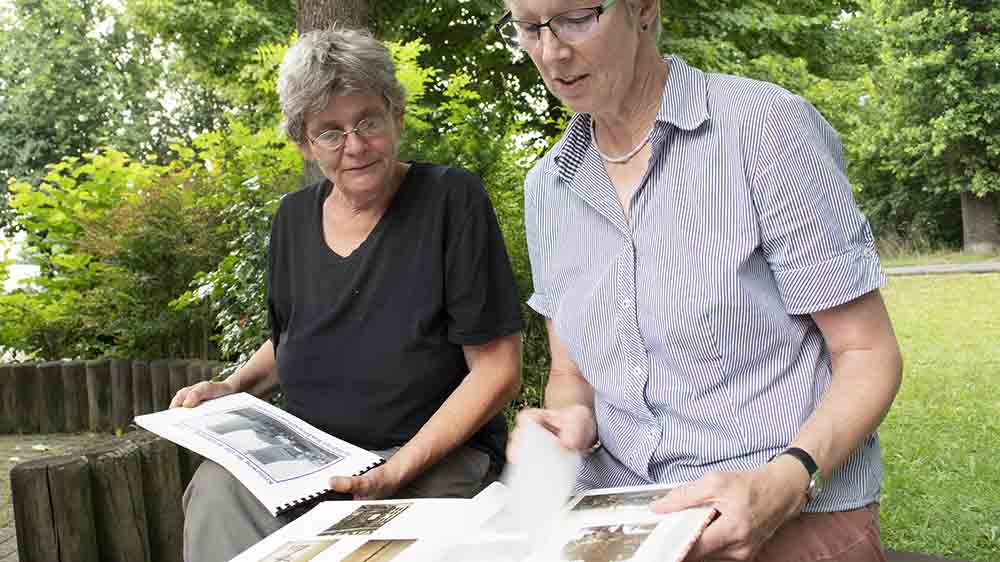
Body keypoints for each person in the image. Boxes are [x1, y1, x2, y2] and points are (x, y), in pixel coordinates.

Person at [496, 1, 903, 561]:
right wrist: (568, 419)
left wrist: (786, 480)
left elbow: (867, 351)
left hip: (785, 506)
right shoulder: (549, 187)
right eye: (529, 27)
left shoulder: (765, 128)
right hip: (622, 518)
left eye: (576, 18)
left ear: (642, 8)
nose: (552, 51)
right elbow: (570, 373)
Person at [171, 27, 523, 562]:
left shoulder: (451, 201)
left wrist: (398, 468)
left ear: (396, 116)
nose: (354, 146)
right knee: (215, 492)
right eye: (330, 131)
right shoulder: (291, 219)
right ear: (305, 143)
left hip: (430, 461)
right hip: (312, 466)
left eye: (368, 122)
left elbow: (497, 370)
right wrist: (234, 385)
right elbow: (291, 336)